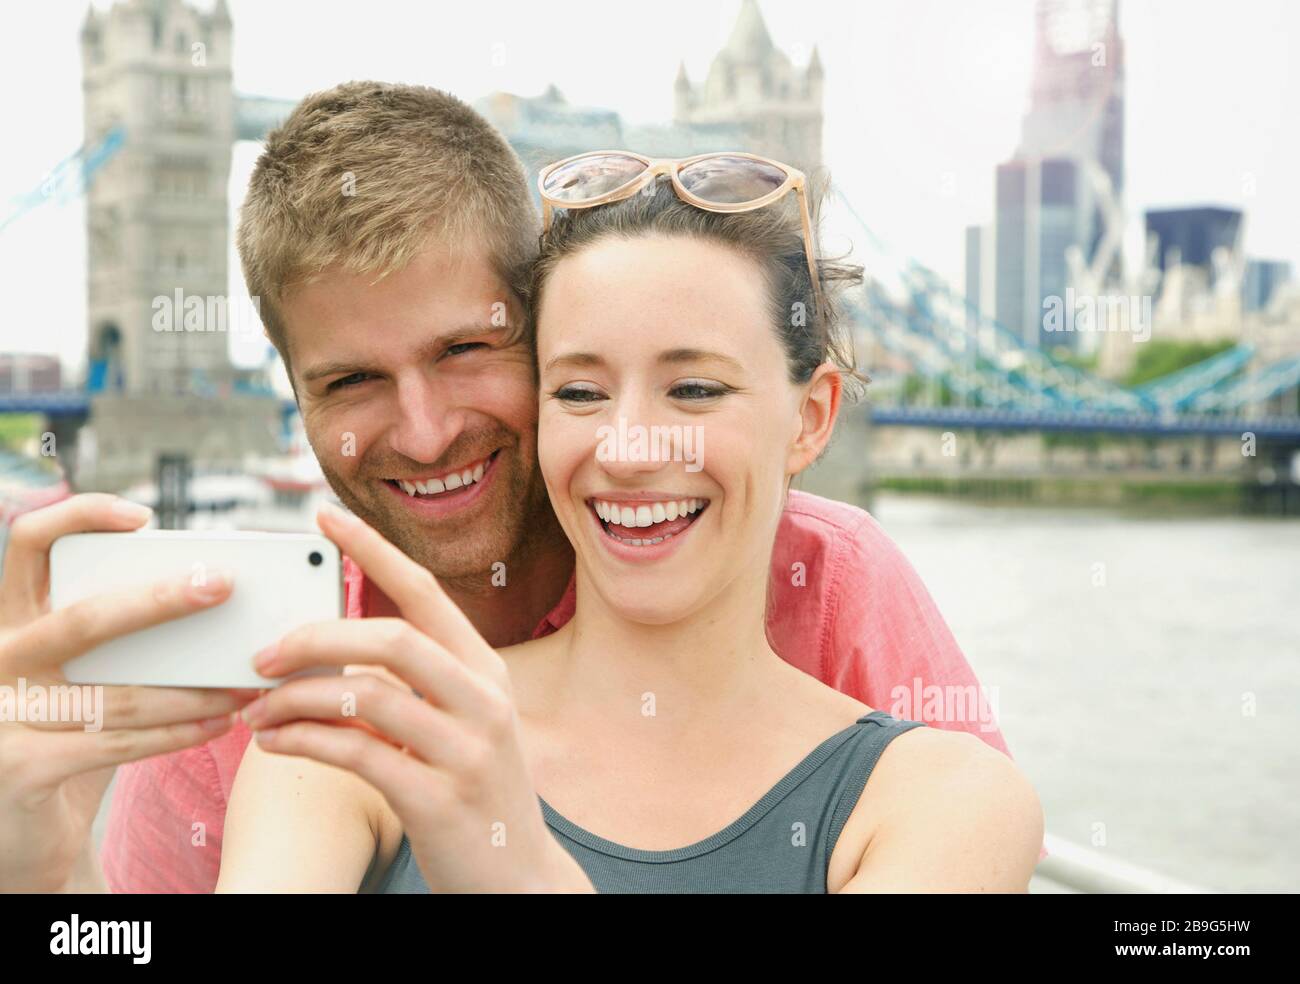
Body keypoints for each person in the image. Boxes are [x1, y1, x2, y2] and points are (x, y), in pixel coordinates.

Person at [0, 83, 1033, 894]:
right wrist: (49, 883)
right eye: (351, 379)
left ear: (809, 417)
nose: (425, 429)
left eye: (463, 351)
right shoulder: (309, 715)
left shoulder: (849, 618)